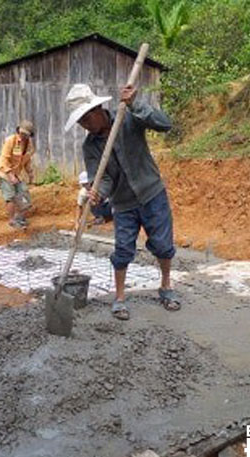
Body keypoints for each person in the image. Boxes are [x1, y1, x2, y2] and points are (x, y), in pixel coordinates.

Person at [65, 83, 181, 320]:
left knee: (162, 244)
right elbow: (103, 177)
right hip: (123, 203)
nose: (84, 127)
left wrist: (135, 104)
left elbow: (165, 124)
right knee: (123, 249)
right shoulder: (90, 146)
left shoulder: (128, 118)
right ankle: (119, 298)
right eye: (80, 123)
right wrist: (98, 192)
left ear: (97, 111)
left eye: (86, 121)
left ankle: (166, 287)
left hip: (152, 193)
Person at [0, 120, 35, 229]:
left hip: (16, 173)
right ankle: (12, 221)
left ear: (29, 135)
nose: (22, 136)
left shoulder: (28, 144)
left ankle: (20, 218)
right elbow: (4, 159)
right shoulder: (10, 140)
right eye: (21, 133)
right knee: (10, 196)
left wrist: (30, 172)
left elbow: (26, 160)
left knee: (24, 194)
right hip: (5, 172)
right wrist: (10, 175)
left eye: (25, 134)